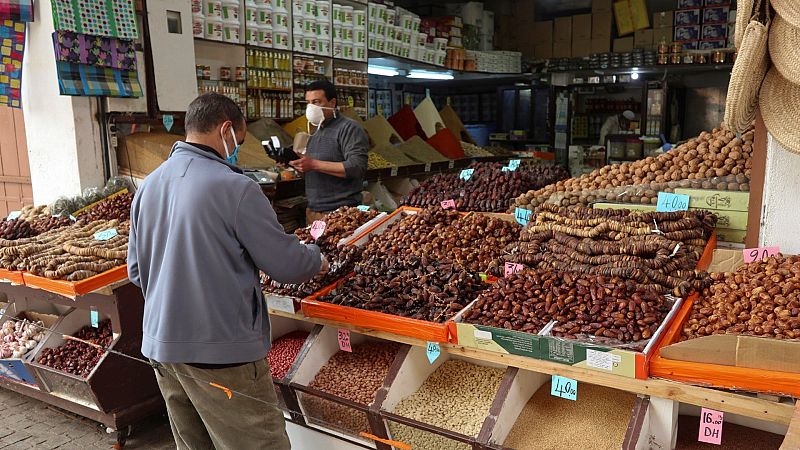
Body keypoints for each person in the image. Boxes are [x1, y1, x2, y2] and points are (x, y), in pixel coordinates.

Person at [127, 92, 327, 450]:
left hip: (163, 349)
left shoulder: (148, 186)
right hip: (222, 356)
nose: (238, 148)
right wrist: (317, 258)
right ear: (225, 131)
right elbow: (285, 264)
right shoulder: (235, 187)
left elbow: (137, 271)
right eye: (241, 139)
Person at [289, 79, 369, 224]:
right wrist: (299, 166)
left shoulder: (349, 128)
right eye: (308, 103)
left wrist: (313, 164)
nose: (311, 107)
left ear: (332, 103)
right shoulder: (315, 131)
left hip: (342, 214)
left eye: (316, 102)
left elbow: (357, 167)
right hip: (313, 211)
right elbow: (314, 170)